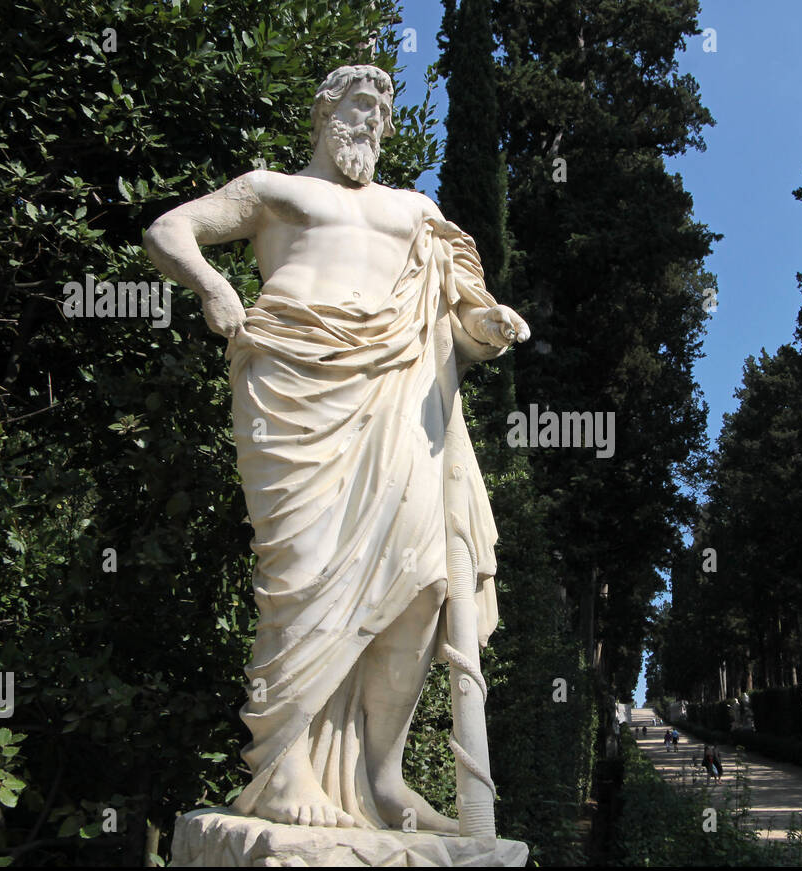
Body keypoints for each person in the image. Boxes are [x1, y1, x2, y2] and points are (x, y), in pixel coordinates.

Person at [146, 65, 529, 832]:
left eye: (385, 111)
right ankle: (283, 771)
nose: (375, 121)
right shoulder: (275, 190)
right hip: (293, 387)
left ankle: (383, 781)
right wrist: (214, 288)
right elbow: (169, 229)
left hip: (398, 402)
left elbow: (455, 323)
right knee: (303, 573)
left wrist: (485, 332)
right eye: (362, 105)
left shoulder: (417, 211)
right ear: (324, 111)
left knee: (420, 587)